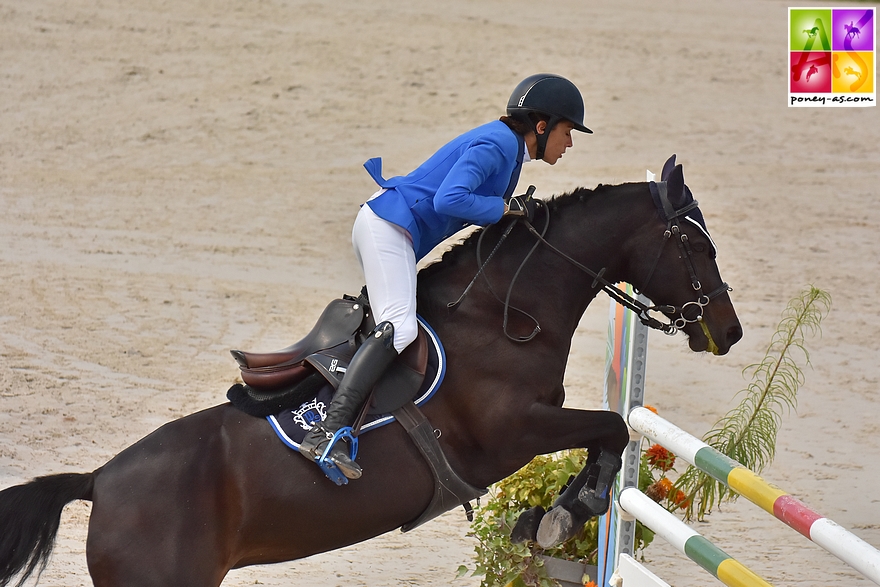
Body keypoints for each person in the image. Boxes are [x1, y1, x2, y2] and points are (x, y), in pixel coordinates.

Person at [299, 73, 593, 480]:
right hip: (390, 227)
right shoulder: (497, 144)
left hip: (394, 228)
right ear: (541, 127)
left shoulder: (507, 149)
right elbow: (450, 198)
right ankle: (327, 431)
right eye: (567, 131)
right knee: (398, 330)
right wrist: (504, 209)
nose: (570, 143)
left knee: (400, 322)